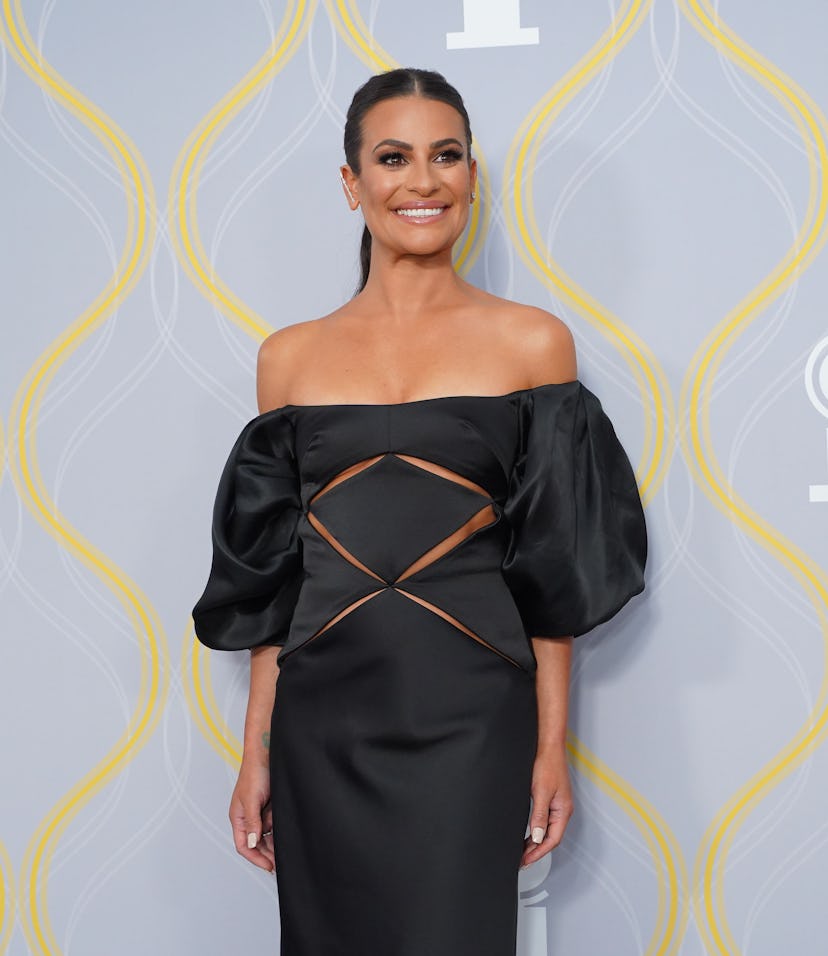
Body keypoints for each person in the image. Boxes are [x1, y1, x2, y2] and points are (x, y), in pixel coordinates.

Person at [192, 67, 647, 956]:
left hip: (472, 715)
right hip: (324, 720)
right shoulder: (288, 359)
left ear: (473, 174)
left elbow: (555, 571)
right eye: (393, 158)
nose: (423, 181)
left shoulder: (532, 342)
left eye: (447, 156)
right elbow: (273, 582)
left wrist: (551, 749)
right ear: (352, 182)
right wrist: (256, 750)